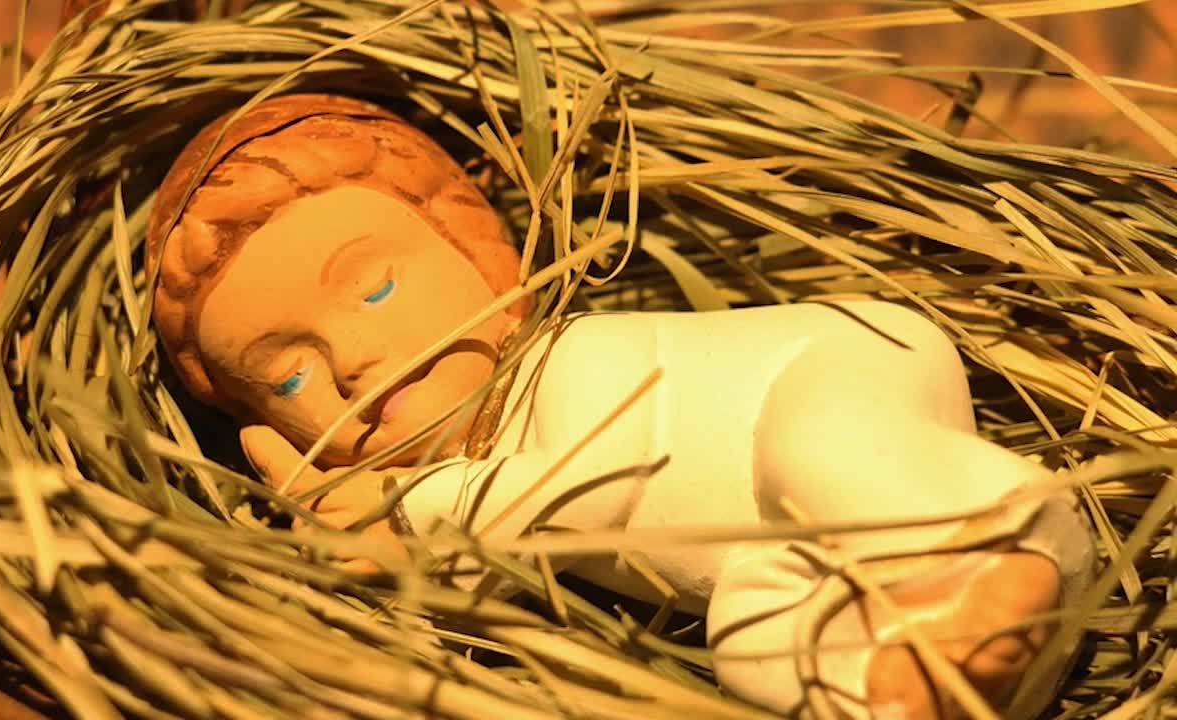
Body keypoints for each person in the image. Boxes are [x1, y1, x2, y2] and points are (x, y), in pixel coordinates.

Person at [148, 94, 1094, 720]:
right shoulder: (480, 482)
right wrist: (357, 546)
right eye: (289, 377)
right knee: (749, 629)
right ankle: (923, 673)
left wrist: (410, 513)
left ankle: (1012, 540)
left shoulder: (568, 360)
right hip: (775, 549)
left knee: (818, 451)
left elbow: (589, 488)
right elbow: (478, 578)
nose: (352, 362)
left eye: (375, 288)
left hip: (832, 369)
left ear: (483, 259)